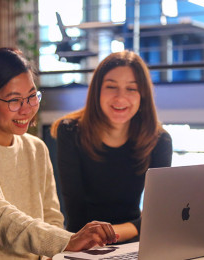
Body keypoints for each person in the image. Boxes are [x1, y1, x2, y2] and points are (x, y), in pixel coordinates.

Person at [0, 48, 117, 260]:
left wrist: (57, 251)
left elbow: (52, 218)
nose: (27, 109)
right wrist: (65, 241)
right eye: (14, 100)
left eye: (31, 96)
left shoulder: (36, 148)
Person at [51, 50, 173, 243]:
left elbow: (157, 214)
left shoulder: (159, 140)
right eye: (111, 86)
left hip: (135, 240)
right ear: (97, 90)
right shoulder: (70, 132)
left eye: (131, 89)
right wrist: (95, 238)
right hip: (84, 242)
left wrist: (113, 233)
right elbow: (74, 210)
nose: (120, 97)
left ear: (143, 95)